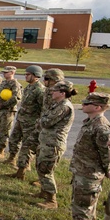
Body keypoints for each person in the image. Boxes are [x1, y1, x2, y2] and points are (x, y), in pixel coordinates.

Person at [51, 92, 110, 220]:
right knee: (86, 203)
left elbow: (107, 153)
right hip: (83, 169)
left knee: (83, 205)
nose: (83, 105)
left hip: (90, 173)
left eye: (87, 104)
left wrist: (109, 170)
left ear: (97, 107)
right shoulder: (90, 122)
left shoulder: (101, 127)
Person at [35, 81, 77, 209]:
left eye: (55, 91)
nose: (52, 92)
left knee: (46, 170)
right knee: (40, 166)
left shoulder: (64, 106)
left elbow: (47, 122)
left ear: (62, 93)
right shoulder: (58, 104)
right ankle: (44, 192)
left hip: (53, 144)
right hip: (46, 141)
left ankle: (52, 200)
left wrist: (40, 121)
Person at [6, 65, 45, 172]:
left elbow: (43, 108)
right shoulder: (28, 88)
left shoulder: (40, 91)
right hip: (21, 119)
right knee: (14, 139)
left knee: (28, 146)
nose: (26, 76)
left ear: (36, 76)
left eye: (28, 74)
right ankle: (11, 158)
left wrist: (38, 123)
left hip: (31, 123)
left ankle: (25, 166)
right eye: (26, 74)